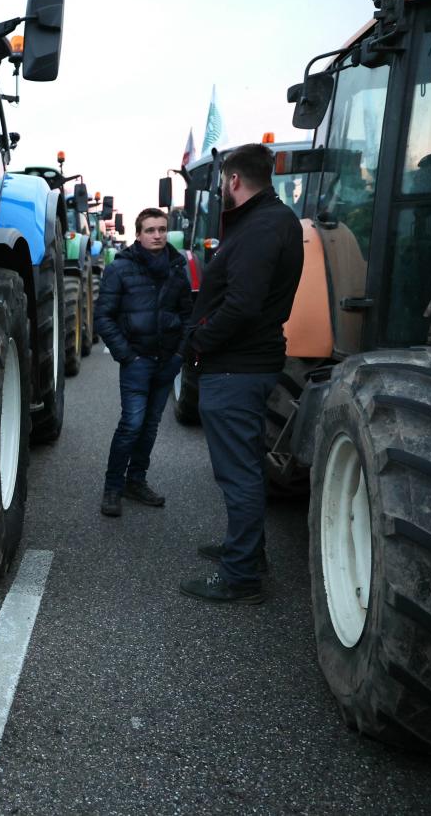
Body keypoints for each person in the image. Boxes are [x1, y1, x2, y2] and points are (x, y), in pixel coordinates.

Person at [179, 143, 304, 604]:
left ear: (233, 180)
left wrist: (197, 343)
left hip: (235, 368)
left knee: (239, 475)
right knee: (246, 467)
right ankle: (247, 553)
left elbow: (242, 304)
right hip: (247, 365)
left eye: (222, 183)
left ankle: (240, 577)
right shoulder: (273, 220)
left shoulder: (261, 226)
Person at [94, 207, 194, 517]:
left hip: (166, 361)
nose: (157, 235)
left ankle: (135, 481)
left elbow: (188, 316)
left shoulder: (177, 267)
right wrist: (127, 354)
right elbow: (103, 316)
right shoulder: (120, 268)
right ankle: (113, 488)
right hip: (137, 361)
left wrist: (179, 355)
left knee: (149, 427)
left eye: (162, 229)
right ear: (138, 234)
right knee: (132, 425)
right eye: (150, 230)